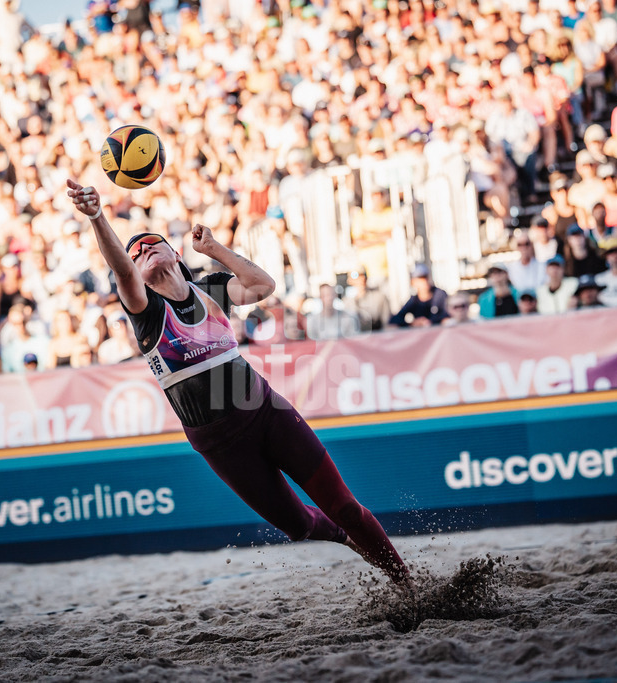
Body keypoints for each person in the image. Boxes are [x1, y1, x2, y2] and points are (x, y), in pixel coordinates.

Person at [65, 179, 413, 591]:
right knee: (298, 526)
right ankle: (342, 538)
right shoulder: (146, 310)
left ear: (177, 254)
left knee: (345, 506)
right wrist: (97, 216)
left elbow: (263, 286)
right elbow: (121, 269)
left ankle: (408, 586)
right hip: (219, 443)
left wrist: (214, 249)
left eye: (151, 243)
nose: (142, 250)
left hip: (265, 411)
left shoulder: (211, 288)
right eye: (135, 252)